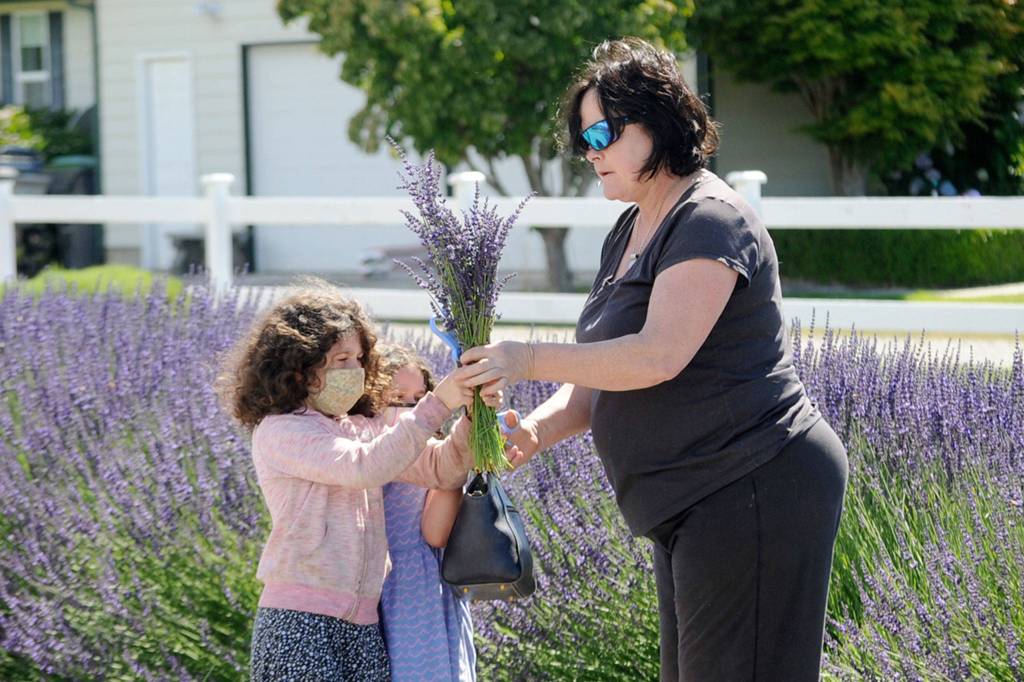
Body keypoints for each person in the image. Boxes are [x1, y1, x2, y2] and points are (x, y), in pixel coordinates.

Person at [460, 38, 849, 681]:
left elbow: (657, 356)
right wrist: (535, 431)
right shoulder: (632, 225)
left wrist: (522, 357)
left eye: (604, 132)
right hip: (694, 499)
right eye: (583, 139)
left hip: (751, 483)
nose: (591, 152)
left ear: (659, 121)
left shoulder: (709, 219)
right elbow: (597, 377)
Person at [217, 284, 513, 681]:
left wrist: (472, 416)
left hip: (364, 626)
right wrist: (438, 403)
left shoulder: (359, 428)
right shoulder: (280, 432)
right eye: (341, 359)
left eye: (359, 358)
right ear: (300, 367)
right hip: (301, 623)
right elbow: (362, 467)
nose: (355, 371)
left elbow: (440, 469)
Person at [374, 343, 476, 681]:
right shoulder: (365, 447)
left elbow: (435, 533)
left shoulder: (432, 457)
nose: (409, 410)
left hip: (419, 593)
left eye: (419, 400)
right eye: (397, 399)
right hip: (372, 587)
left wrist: (454, 466)